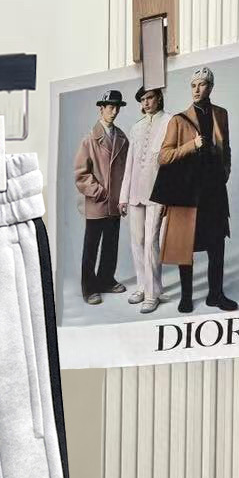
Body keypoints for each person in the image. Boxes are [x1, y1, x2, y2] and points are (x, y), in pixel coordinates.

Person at [151, 65, 237, 314]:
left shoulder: (221, 114)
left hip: (213, 190)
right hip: (187, 191)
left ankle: (216, 295)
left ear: (211, 87)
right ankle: (186, 297)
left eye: (202, 85)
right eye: (193, 85)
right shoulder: (178, 120)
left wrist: (224, 173)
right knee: (185, 243)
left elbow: (226, 148)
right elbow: (164, 156)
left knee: (217, 244)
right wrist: (192, 144)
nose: (197, 90)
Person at [73, 88, 129, 305]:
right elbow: (81, 174)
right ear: (101, 109)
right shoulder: (89, 139)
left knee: (111, 244)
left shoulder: (122, 138)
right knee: (91, 246)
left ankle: (106, 280)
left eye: (117, 108)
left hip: (115, 203)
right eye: (110, 107)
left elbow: (127, 170)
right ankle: (89, 288)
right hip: (97, 202)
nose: (114, 112)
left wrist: (123, 196)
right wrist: (99, 191)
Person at [118, 85, 170, 313]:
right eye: (142, 100)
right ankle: (142, 286)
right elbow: (129, 164)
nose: (146, 103)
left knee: (151, 242)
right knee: (137, 241)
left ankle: (152, 293)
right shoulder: (136, 127)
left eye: (149, 98)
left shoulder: (170, 121)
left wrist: (168, 195)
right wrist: (123, 197)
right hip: (135, 193)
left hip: (157, 192)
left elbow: (172, 164)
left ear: (158, 98)